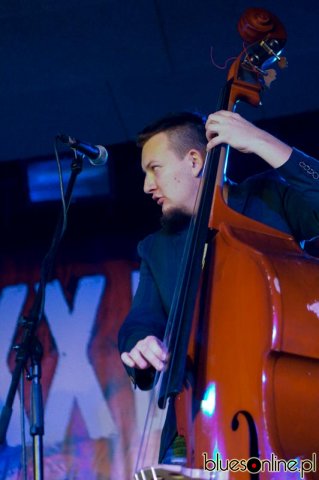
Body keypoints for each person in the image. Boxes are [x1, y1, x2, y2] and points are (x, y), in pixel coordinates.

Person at [118, 109, 319, 464]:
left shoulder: (266, 199)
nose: (147, 186)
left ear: (194, 161)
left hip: (276, 426)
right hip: (191, 433)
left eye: (155, 169)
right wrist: (140, 345)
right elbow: (140, 322)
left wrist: (262, 142)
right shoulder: (156, 248)